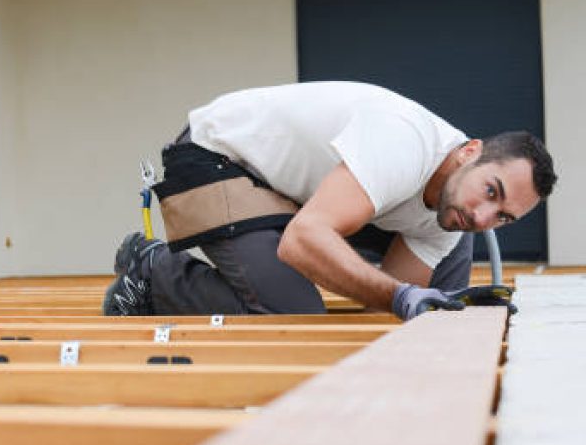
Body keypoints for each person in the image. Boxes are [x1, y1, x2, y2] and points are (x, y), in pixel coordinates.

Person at [102, 81, 557, 320]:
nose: (483, 215)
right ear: (470, 151)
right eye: (491, 191)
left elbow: (383, 300)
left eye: (503, 216)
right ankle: (154, 268)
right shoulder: (404, 143)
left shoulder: (453, 214)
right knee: (293, 314)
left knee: (453, 250)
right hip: (221, 156)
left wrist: (416, 304)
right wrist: (400, 296)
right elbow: (302, 242)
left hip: (292, 193)